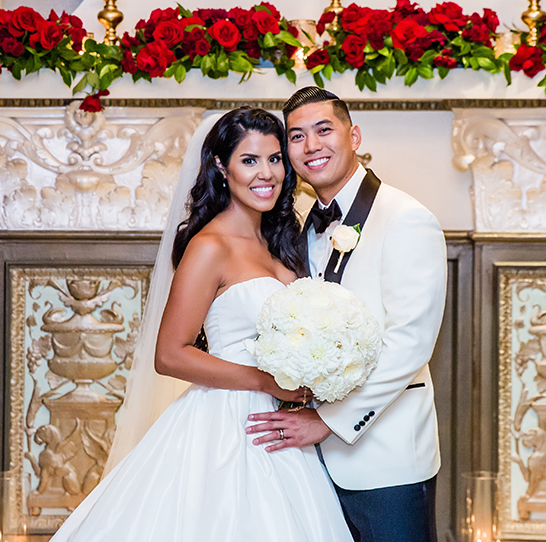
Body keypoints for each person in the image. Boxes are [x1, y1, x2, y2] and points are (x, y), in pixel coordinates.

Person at [50, 107, 354, 542]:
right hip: (227, 422)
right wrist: (265, 382)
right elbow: (170, 354)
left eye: (274, 158)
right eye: (249, 160)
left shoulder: (281, 241)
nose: (265, 173)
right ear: (220, 166)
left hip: (284, 424)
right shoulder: (208, 246)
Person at [246, 87, 448, 542]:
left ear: (353, 135)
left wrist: (326, 422)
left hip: (386, 459)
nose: (311, 145)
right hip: (306, 465)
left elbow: (411, 343)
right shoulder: (300, 229)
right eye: (296, 137)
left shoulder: (406, 218)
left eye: (324, 130)